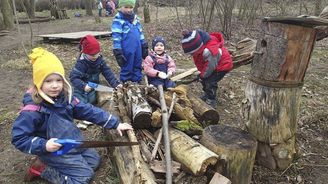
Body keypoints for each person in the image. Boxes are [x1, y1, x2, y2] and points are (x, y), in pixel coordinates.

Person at [11, 47, 133, 183]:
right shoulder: (32, 110)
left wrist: (115, 123)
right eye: (48, 81)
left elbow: (88, 110)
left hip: (72, 142)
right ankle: (42, 169)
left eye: (58, 80)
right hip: (54, 151)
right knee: (84, 177)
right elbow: (19, 138)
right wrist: (44, 145)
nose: (55, 85)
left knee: (94, 162)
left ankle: (69, 165)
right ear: (38, 83)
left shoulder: (65, 98)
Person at [70, 35, 122, 129]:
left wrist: (116, 84)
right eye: (92, 55)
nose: (95, 56)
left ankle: (94, 113)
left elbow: (107, 72)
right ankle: (82, 119)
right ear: (85, 53)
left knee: (103, 95)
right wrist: (83, 85)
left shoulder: (99, 60)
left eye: (97, 53)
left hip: (94, 85)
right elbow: (73, 78)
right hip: (82, 87)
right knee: (81, 101)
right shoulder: (81, 64)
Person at [181, 29, 233, 108]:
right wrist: (202, 74)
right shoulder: (200, 50)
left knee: (210, 81)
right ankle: (207, 94)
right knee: (204, 79)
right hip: (213, 65)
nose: (192, 55)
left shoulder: (209, 51)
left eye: (193, 53)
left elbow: (210, 66)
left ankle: (211, 99)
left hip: (222, 66)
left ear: (198, 48)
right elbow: (201, 63)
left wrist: (203, 75)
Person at [111, 0, 148, 83]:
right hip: (126, 49)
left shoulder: (135, 19)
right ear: (121, 7)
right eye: (126, 7)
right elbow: (116, 37)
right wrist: (118, 50)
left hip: (138, 47)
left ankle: (137, 82)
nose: (129, 10)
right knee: (127, 66)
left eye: (131, 7)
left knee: (137, 64)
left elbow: (140, 32)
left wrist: (143, 44)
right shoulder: (118, 20)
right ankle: (126, 83)